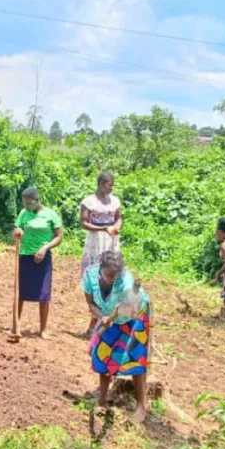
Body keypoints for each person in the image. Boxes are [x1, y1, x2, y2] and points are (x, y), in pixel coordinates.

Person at [83, 251, 151, 424]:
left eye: (116, 276)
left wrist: (127, 307)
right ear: (101, 269)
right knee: (103, 353)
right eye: (108, 275)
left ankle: (141, 406)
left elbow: (133, 309)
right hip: (108, 317)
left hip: (135, 316)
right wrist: (102, 317)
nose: (112, 279)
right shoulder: (90, 276)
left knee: (135, 358)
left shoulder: (126, 282)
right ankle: (102, 399)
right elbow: (91, 303)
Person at [12, 187, 63, 339]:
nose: (27, 206)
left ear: (37, 200)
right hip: (24, 255)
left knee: (44, 294)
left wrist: (45, 248)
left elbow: (59, 237)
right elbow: (18, 227)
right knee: (20, 292)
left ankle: (43, 330)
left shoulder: (50, 214)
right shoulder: (23, 213)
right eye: (25, 203)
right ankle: (15, 326)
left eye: (29, 203)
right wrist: (18, 231)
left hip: (43, 257)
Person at [80, 173, 122, 336]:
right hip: (95, 243)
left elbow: (119, 218)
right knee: (94, 280)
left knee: (109, 280)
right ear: (100, 184)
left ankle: (96, 325)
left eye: (112, 185)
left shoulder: (114, 200)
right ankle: (95, 322)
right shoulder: (89, 201)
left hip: (111, 241)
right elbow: (84, 223)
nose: (111, 188)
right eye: (108, 184)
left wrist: (116, 227)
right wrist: (103, 229)